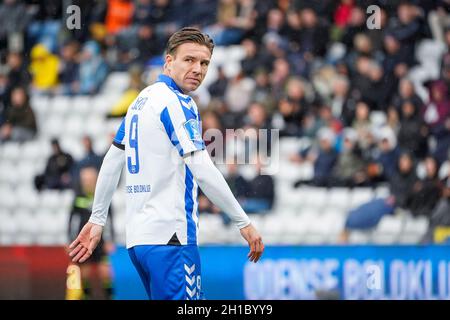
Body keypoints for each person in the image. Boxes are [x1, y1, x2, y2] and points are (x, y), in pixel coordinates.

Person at [68, 27, 264, 300]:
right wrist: (243, 222)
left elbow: (113, 159)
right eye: (189, 60)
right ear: (169, 61)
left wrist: (98, 218)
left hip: (140, 241)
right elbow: (202, 168)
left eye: (204, 62)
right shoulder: (177, 103)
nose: (197, 69)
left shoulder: (142, 100)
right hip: (171, 238)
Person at [67, 166, 115, 300]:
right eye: (84, 179)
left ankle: (109, 296)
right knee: (84, 272)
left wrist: (111, 240)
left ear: (96, 180)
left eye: (89, 179)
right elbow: (71, 222)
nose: (87, 182)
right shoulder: (78, 198)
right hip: (84, 241)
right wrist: (69, 240)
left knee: (105, 271)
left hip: (100, 240)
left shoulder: (103, 197)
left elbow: (111, 220)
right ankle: (86, 296)